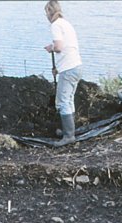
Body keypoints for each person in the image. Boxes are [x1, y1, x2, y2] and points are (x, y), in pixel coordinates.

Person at [43, 1, 82, 145]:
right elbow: (68, 48)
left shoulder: (55, 25)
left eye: (46, 13)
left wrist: (51, 48)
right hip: (76, 66)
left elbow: (59, 47)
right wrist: (58, 68)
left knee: (62, 101)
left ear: (49, 12)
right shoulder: (66, 23)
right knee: (69, 99)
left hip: (69, 68)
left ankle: (69, 137)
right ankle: (68, 131)